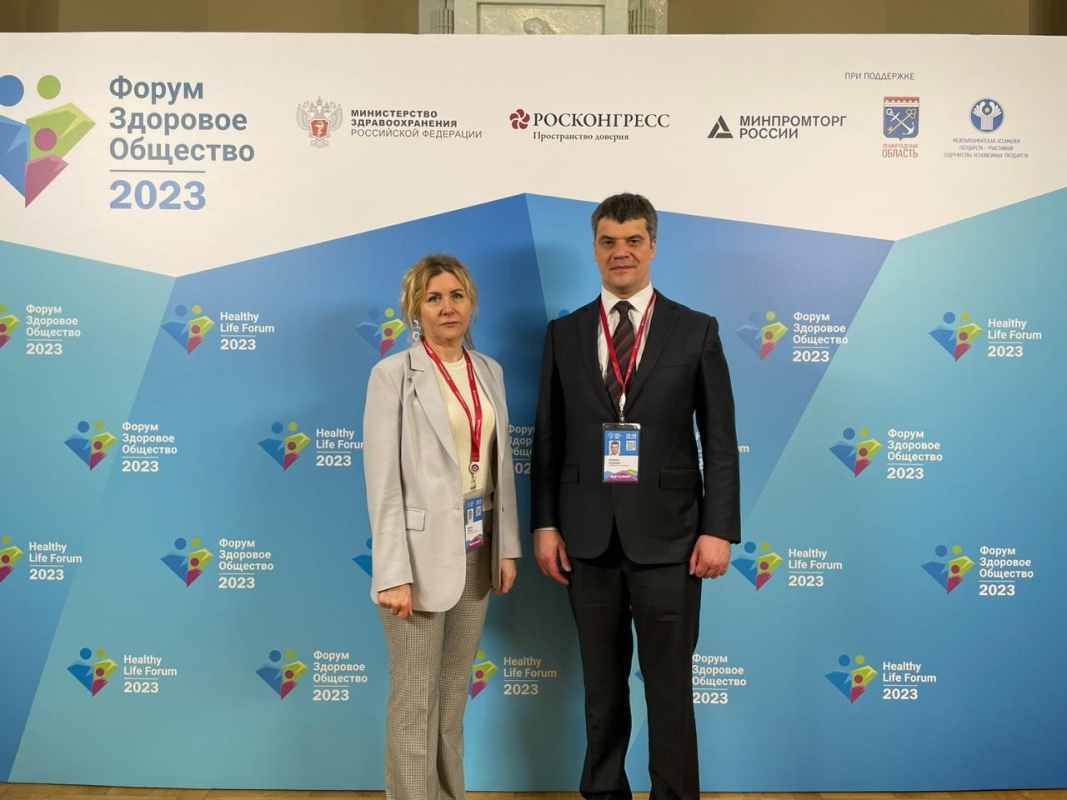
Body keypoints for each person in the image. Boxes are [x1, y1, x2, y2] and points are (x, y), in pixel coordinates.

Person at [531, 193, 740, 800]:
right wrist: (544, 523)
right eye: (607, 241)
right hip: (586, 539)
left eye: (632, 241)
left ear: (652, 247)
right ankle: (603, 794)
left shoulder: (696, 329)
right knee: (601, 691)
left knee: (670, 691)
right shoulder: (565, 333)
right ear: (595, 249)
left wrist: (718, 528)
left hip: (672, 541)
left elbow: (720, 440)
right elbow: (548, 438)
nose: (619, 252)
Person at [364, 254, 521, 800]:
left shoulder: (489, 371)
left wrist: (506, 547)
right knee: (415, 701)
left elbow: (499, 468)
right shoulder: (392, 375)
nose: (447, 307)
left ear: (471, 303)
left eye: (457, 295)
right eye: (433, 298)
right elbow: (383, 483)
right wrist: (392, 573)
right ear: (415, 309)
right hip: (416, 558)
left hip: (479, 547)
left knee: (452, 698)